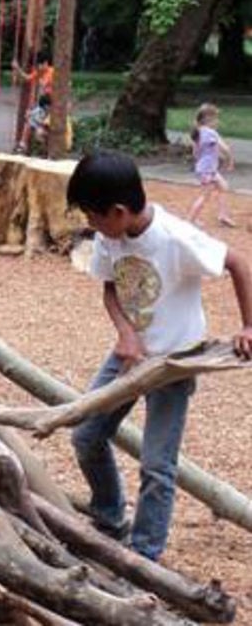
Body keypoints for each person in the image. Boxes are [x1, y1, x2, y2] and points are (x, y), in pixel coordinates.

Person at [66, 151, 252, 562]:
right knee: (86, 436)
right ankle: (110, 518)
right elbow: (111, 287)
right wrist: (126, 333)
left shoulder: (174, 237)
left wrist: (248, 326)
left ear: (118, 211)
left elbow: (239, 262)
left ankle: (143, 556)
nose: (91, 227)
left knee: (156, 465)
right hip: (130, 356)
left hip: (175, 363)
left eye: (94, 218)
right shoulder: (109, 236)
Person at [187, 103, 236, 228]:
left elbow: (195, 153)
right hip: (208, 170)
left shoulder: (198, 133)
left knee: (223, 187)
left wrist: (209, 158)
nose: (217, 121)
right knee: (205, 196)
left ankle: (223, 215)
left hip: (206, 169)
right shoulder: (211, 133)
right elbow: (225, 148)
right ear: (208, 119)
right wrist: (230, 161)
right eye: (215, 118)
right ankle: (190, 221)